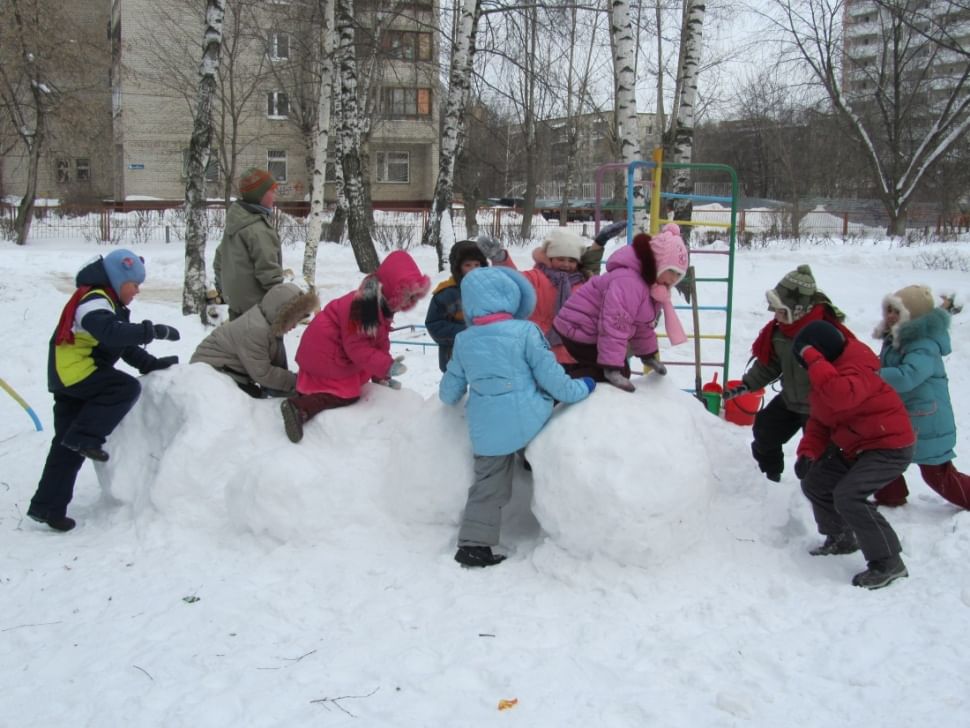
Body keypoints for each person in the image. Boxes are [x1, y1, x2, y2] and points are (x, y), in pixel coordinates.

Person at [440, 266, 595, 568]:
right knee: (547, 456)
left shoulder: (464, 340)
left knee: (488, 485)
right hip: (528, 419)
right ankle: (567, 524)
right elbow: (552, 378)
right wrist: (581, 387)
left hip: (487, 429)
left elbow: (449, 392)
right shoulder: (526, 332)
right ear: (511, 297)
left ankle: (473, 545)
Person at [27, 249, 182, 532]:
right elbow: (111, 333)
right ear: (119, 279)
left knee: (66, 447)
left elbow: (119, 344)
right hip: (76, 372)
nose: (137, 291)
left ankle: (48, 507)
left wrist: (151, 363)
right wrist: (153, 331)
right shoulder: (95, 299)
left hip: (69, 377)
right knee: (123, 388)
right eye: (134, 284)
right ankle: (86, 436)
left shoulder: (105, 301)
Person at [792, 320, 915, 590]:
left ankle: (889, 561)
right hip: (857, 446)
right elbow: (821, 421)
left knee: (849, 495)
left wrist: (813, 358)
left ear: (821, 354)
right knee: (816, 483)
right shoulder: (828, 376)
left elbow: (840, 397)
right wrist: (808, 452)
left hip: (888, 447)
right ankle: (842, 537)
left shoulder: (857, 368)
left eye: (807, 359)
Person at [280, 250, 430, 443]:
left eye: (414, 297)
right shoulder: (363, 307)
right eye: (408, 295)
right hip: (324, 353)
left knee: (358, 377)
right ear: (393, 290)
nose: (411, 302)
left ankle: (309, 391)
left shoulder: (378, 303)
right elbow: (358, 348)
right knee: (347, 395)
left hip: (330, 350)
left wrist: (382, 375)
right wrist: (385, 365)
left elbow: (378, 342)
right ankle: (300, 408)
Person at [723, 265, 854, 482]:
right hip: (791, 399)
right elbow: (771, 363)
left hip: (819, 406)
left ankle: (818, 493)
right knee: (765, 432)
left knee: (819, 454)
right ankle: (770, 476)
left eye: (781, 310)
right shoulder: (780, 331)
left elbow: (848, 366)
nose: (776, 316)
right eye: (775, 310)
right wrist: (747, 384)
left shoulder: (825, 332)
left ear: (799, 308)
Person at [551, 223, 689, 392]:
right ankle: (557, 384)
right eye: (672, 271)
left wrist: (648, 355)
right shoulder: (629, 282)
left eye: (679, 274)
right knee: (614, 370)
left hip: (590, 329)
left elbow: (642, 325)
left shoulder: (651, 286)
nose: (675, 278)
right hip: (578, 327)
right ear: (658, 263)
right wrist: (611, 367)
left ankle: (561, 375)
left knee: (616, 367)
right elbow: (615, 324)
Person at [870, 285, 970, 509]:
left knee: (937, 473)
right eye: (889, 310)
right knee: (884, 454)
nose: (890, 316)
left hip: (926, 418)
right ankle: (890, 495)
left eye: (898, 312)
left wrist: (875, 376)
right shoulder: (897, 336)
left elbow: (909, 376)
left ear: (912, 316)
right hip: (908, 413)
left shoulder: (923, 344)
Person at [190, 282, 319, 399]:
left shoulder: (268, 321)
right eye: (292, 320)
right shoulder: (256, 330)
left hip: (227, 369)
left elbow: (274, 364)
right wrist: (298, 381)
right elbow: (264, 374)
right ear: (281, 315)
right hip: (211, 372)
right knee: (251, 403)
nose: (295, 326)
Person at [213, 167, 285, 320]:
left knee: (239, 344)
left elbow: (219, 259)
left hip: (238, 309)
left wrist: (227, 292)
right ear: (260, 196)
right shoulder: (257, 229)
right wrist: (283, 307)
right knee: (268, 345)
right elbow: (269, 274)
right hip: (259, 313)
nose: (274, 196)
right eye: (271, 192)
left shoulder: (236, 223)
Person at [424, 240, 489, 372]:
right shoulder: (446, 293)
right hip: (454, 357)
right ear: (457, 267)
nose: (473, 270)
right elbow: (434, 324)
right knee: (457, 391)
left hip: (484, 357)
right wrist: (466, 331)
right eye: (468, 265)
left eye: (477, 265)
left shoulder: (489, 290)